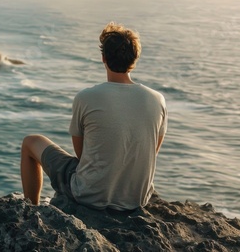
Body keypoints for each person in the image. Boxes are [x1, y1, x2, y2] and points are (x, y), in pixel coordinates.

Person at [20, 22, 167, 210]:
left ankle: (31, 210)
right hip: (137, 198)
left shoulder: (86, 97)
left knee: (30, 142)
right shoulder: (157, 99)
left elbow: (82, 155)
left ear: (103, 58)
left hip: (89, 195)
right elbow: (152, 151)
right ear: (135, 58)